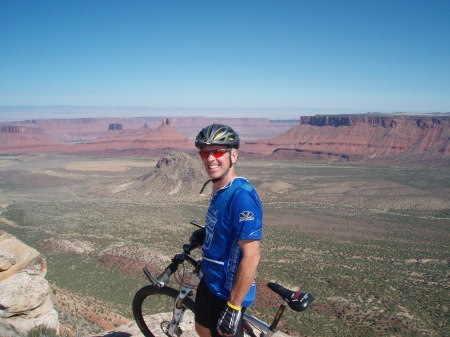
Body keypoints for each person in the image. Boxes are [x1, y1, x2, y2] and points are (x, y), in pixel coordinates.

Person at [193, 123, 263, 337]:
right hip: (210, 281)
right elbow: (228, 226)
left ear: (234, 156)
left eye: (218, 152)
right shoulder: (221, 189)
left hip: (227, 292)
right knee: (202, 328)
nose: (211, 158)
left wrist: (234, 307)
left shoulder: (242, 196)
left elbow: (252, 256)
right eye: (205, 152)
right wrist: (207, 233)